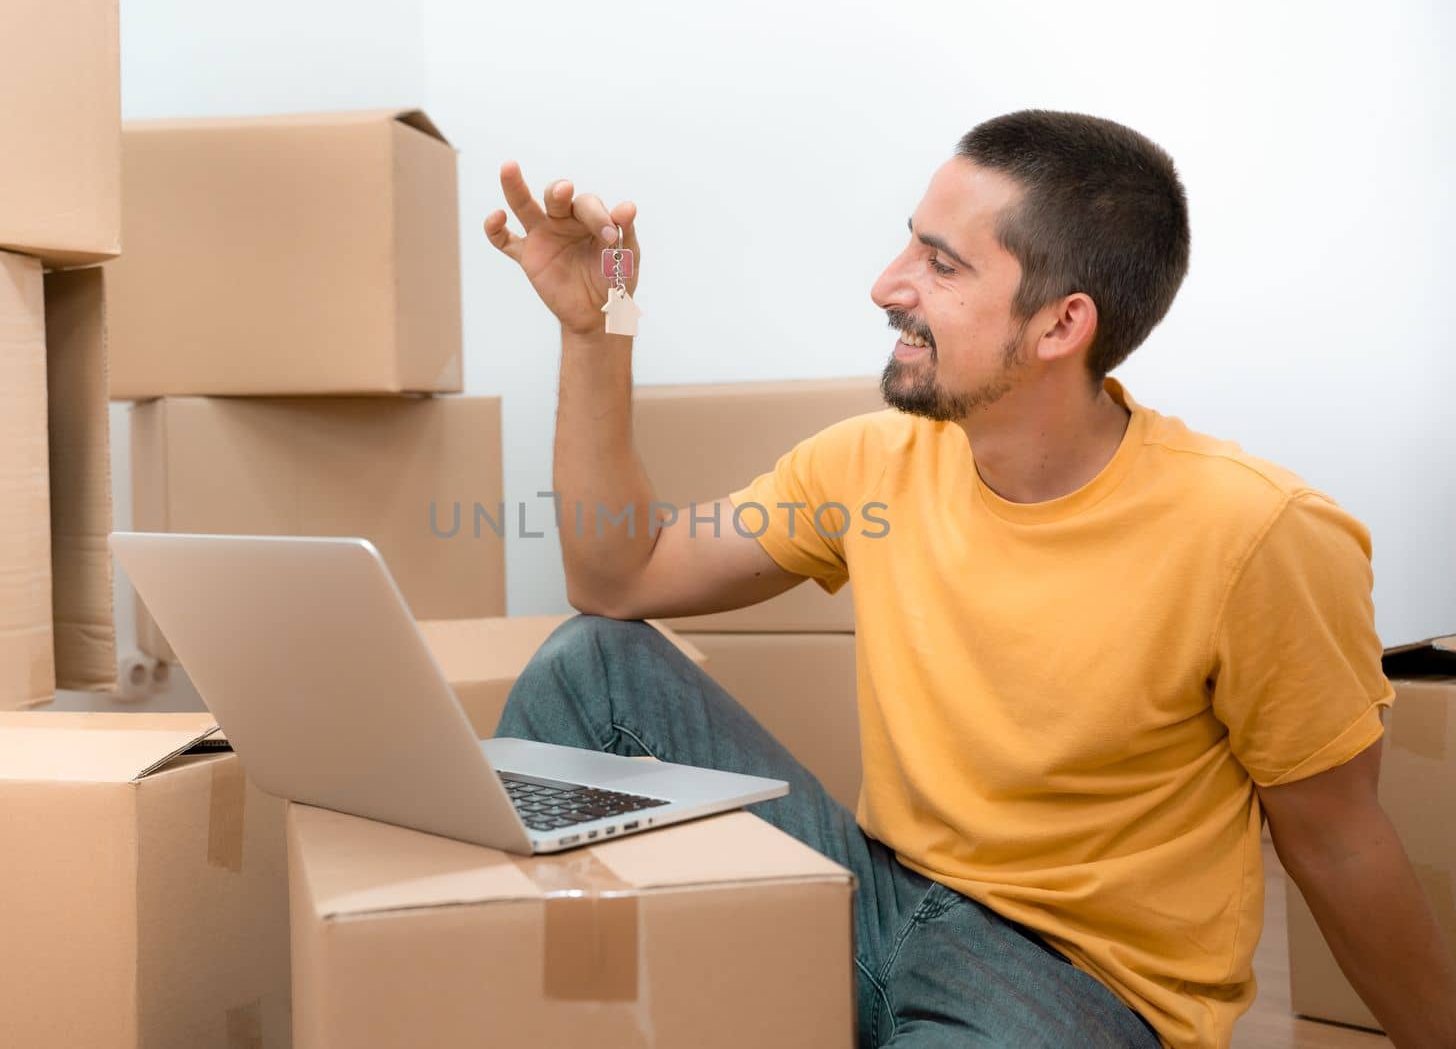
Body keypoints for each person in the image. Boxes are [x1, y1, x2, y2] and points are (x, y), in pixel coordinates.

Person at [480, 109, 1456, 1049]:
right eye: (910, 244)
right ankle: (550, 1003)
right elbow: (618, 577)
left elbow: (1336, 839)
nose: (884, 285)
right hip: (877, 895)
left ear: (1059, 325)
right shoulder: (871, 462)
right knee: (591, 663)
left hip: (1066, 975)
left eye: (940, 264)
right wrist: (595, 325)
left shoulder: (1256, 532)